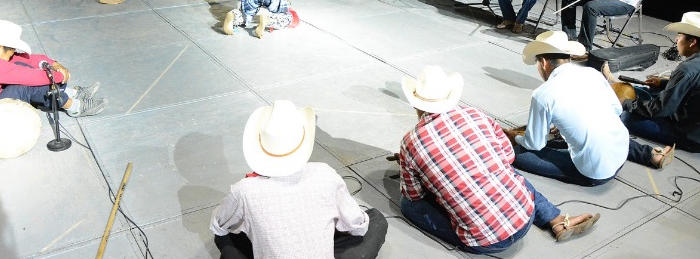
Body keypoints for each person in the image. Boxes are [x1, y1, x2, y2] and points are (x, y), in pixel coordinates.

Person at [398, 66, 600, 253]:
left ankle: (470, 227)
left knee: (408, 205)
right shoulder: (475, 114)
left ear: (416, 103)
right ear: (450, 95)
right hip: (526, 215)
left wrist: (423, 171)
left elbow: (413, 194)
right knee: (506, 173)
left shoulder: (410, 142)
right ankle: (555, 219)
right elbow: (508, 157)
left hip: (486, 243)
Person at [210, 99, 388, 259]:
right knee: (376, 218)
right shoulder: (325, 174)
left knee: (225, 236)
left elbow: (218, 225)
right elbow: (358, 227)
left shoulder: (244, 190)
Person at [0, 19, 108, 147]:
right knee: (26, 85)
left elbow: (26, 59)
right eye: (11, 51)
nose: (13, 54)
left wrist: (54, 64)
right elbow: (33, 77)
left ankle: (69, 93)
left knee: (22, 68)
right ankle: (74, 106)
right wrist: (59, 75)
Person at [502, 31, 629, 186]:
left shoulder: (543, 94)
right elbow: (617, 110)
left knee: (519, 153)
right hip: (621, 154)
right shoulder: (593, 73)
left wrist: (515, 137)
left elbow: (534, 144)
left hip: (596, 172)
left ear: (543, 62)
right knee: (561, 141)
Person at [616, 11, 700, 160]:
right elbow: (692, 86)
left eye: (680, 36)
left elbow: (662, 108)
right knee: (643, 92)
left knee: (626, 116)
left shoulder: (686, 69)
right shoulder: (693, 67)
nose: (676, 39)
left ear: (692, 42)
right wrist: (663, 83)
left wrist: (626, 103)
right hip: (691, 118)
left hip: (689, 134)